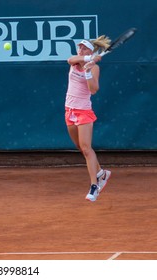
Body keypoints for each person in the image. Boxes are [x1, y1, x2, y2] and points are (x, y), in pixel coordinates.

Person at [65, 36, 112, 201]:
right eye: (80, 48)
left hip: (83, 111)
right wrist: (87, 58)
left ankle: (95, 186)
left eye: (84, 48)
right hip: (69, 110)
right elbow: (70, 59)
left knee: (86, 148)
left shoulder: (94, 68)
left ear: (91, 50)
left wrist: (87, 72)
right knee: (80, 147)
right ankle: (102, 173)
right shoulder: (75, 61)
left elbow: (93, 90)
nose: (81, 50)